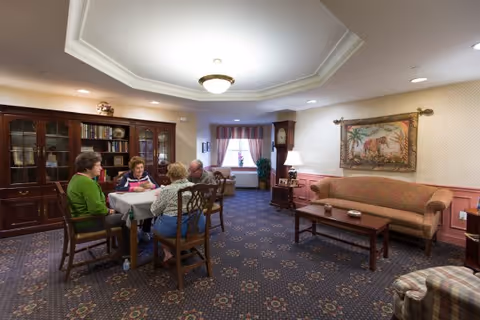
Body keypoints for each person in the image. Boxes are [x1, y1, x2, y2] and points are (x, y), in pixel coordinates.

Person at [67, 152, 129, 256]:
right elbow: (96, 209)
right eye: (98, 165)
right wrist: (109, 211)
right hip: (88, 222)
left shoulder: (76, 178)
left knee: (118, 214)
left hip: (78, 221)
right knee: (127, 218)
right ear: (87, 168)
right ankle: (126, 252)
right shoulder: (87, 183)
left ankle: (120, 246)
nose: (101, 168)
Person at [150, 162, 206, 262]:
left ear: (170, 175)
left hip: (177, 229)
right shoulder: (195, 186)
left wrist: (158, 198)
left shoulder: (167, 190)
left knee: (156, 223)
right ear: (184, 173)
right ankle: (183, 248)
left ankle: (167, 253)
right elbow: (200, 205)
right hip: (197, 225)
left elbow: (154, 211)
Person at [116, 156, 159, 242]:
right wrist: (133, 189)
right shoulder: (127, 176)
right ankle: (133, 233)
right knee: (133, 212)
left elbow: (157, 186)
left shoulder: (146, 175)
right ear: (132, 169)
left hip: (144, 201)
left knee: (152, 208)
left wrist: (152, 186)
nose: (140, 170)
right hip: (132, 202)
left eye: (142, 167)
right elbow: (119, 188)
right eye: (137, 168)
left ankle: (145, 230)